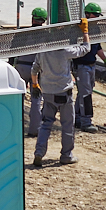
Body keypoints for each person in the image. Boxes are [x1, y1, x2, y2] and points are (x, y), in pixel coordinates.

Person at [31, 21, 91, 167]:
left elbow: (34, 69)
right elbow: (86, 48)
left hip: (48, 92)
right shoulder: (66, 51)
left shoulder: (43, 51)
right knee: (67, 125)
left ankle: (39, 153)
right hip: (64, 93)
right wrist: (85, 32)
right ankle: (66, 155)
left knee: (45, 124)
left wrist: (35, 84)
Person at [73, 2, 106, 133]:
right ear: (88, 14)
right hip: (81, 65)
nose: (98, 18)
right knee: (86, 94)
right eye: (95, 15)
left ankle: (76, 118)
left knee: (84, 92)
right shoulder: (79, 29)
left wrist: (105, 61)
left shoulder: (95, 29)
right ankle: (86, 121)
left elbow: (97, 47)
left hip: (90, 65)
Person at [12, 8, 47, 138]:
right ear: (44, 20)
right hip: (37, 70)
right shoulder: (46, 35)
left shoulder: (22, 33)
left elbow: (12, 51)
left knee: (17, 99)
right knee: (36, 100)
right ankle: (34, 130)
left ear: (32, 18)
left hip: (21, 67)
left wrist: (11, 66)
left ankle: (16, 128)